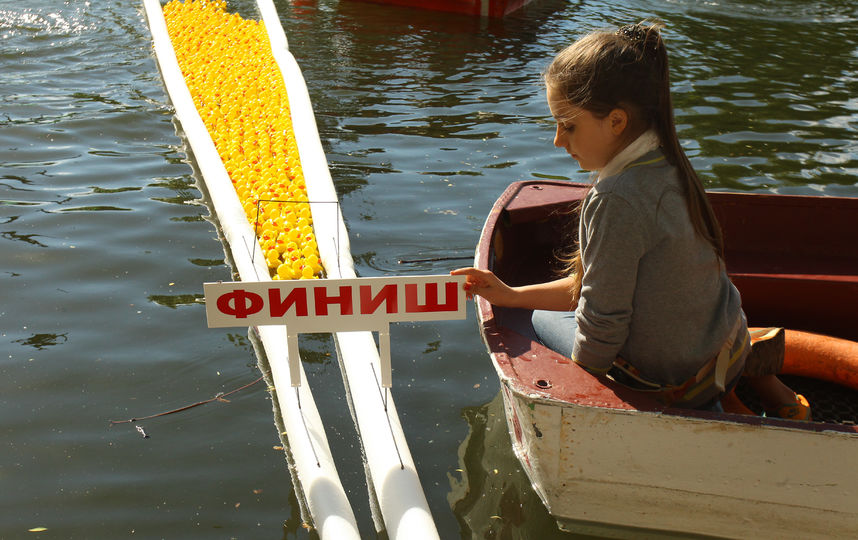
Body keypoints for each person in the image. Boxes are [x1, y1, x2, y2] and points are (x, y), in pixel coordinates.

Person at [453, 21, 810, 418]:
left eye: (568, 125)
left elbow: (602, 321)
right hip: (727, 344)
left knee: (540, 318)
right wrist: (509, 294)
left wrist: (582, 396)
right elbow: (598, 287)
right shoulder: (669, 160)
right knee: (540, 305)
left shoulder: (616, 199)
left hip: (677, 383)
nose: (558, 140)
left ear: (617, 122)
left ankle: (709, 405)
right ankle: (770, 390)